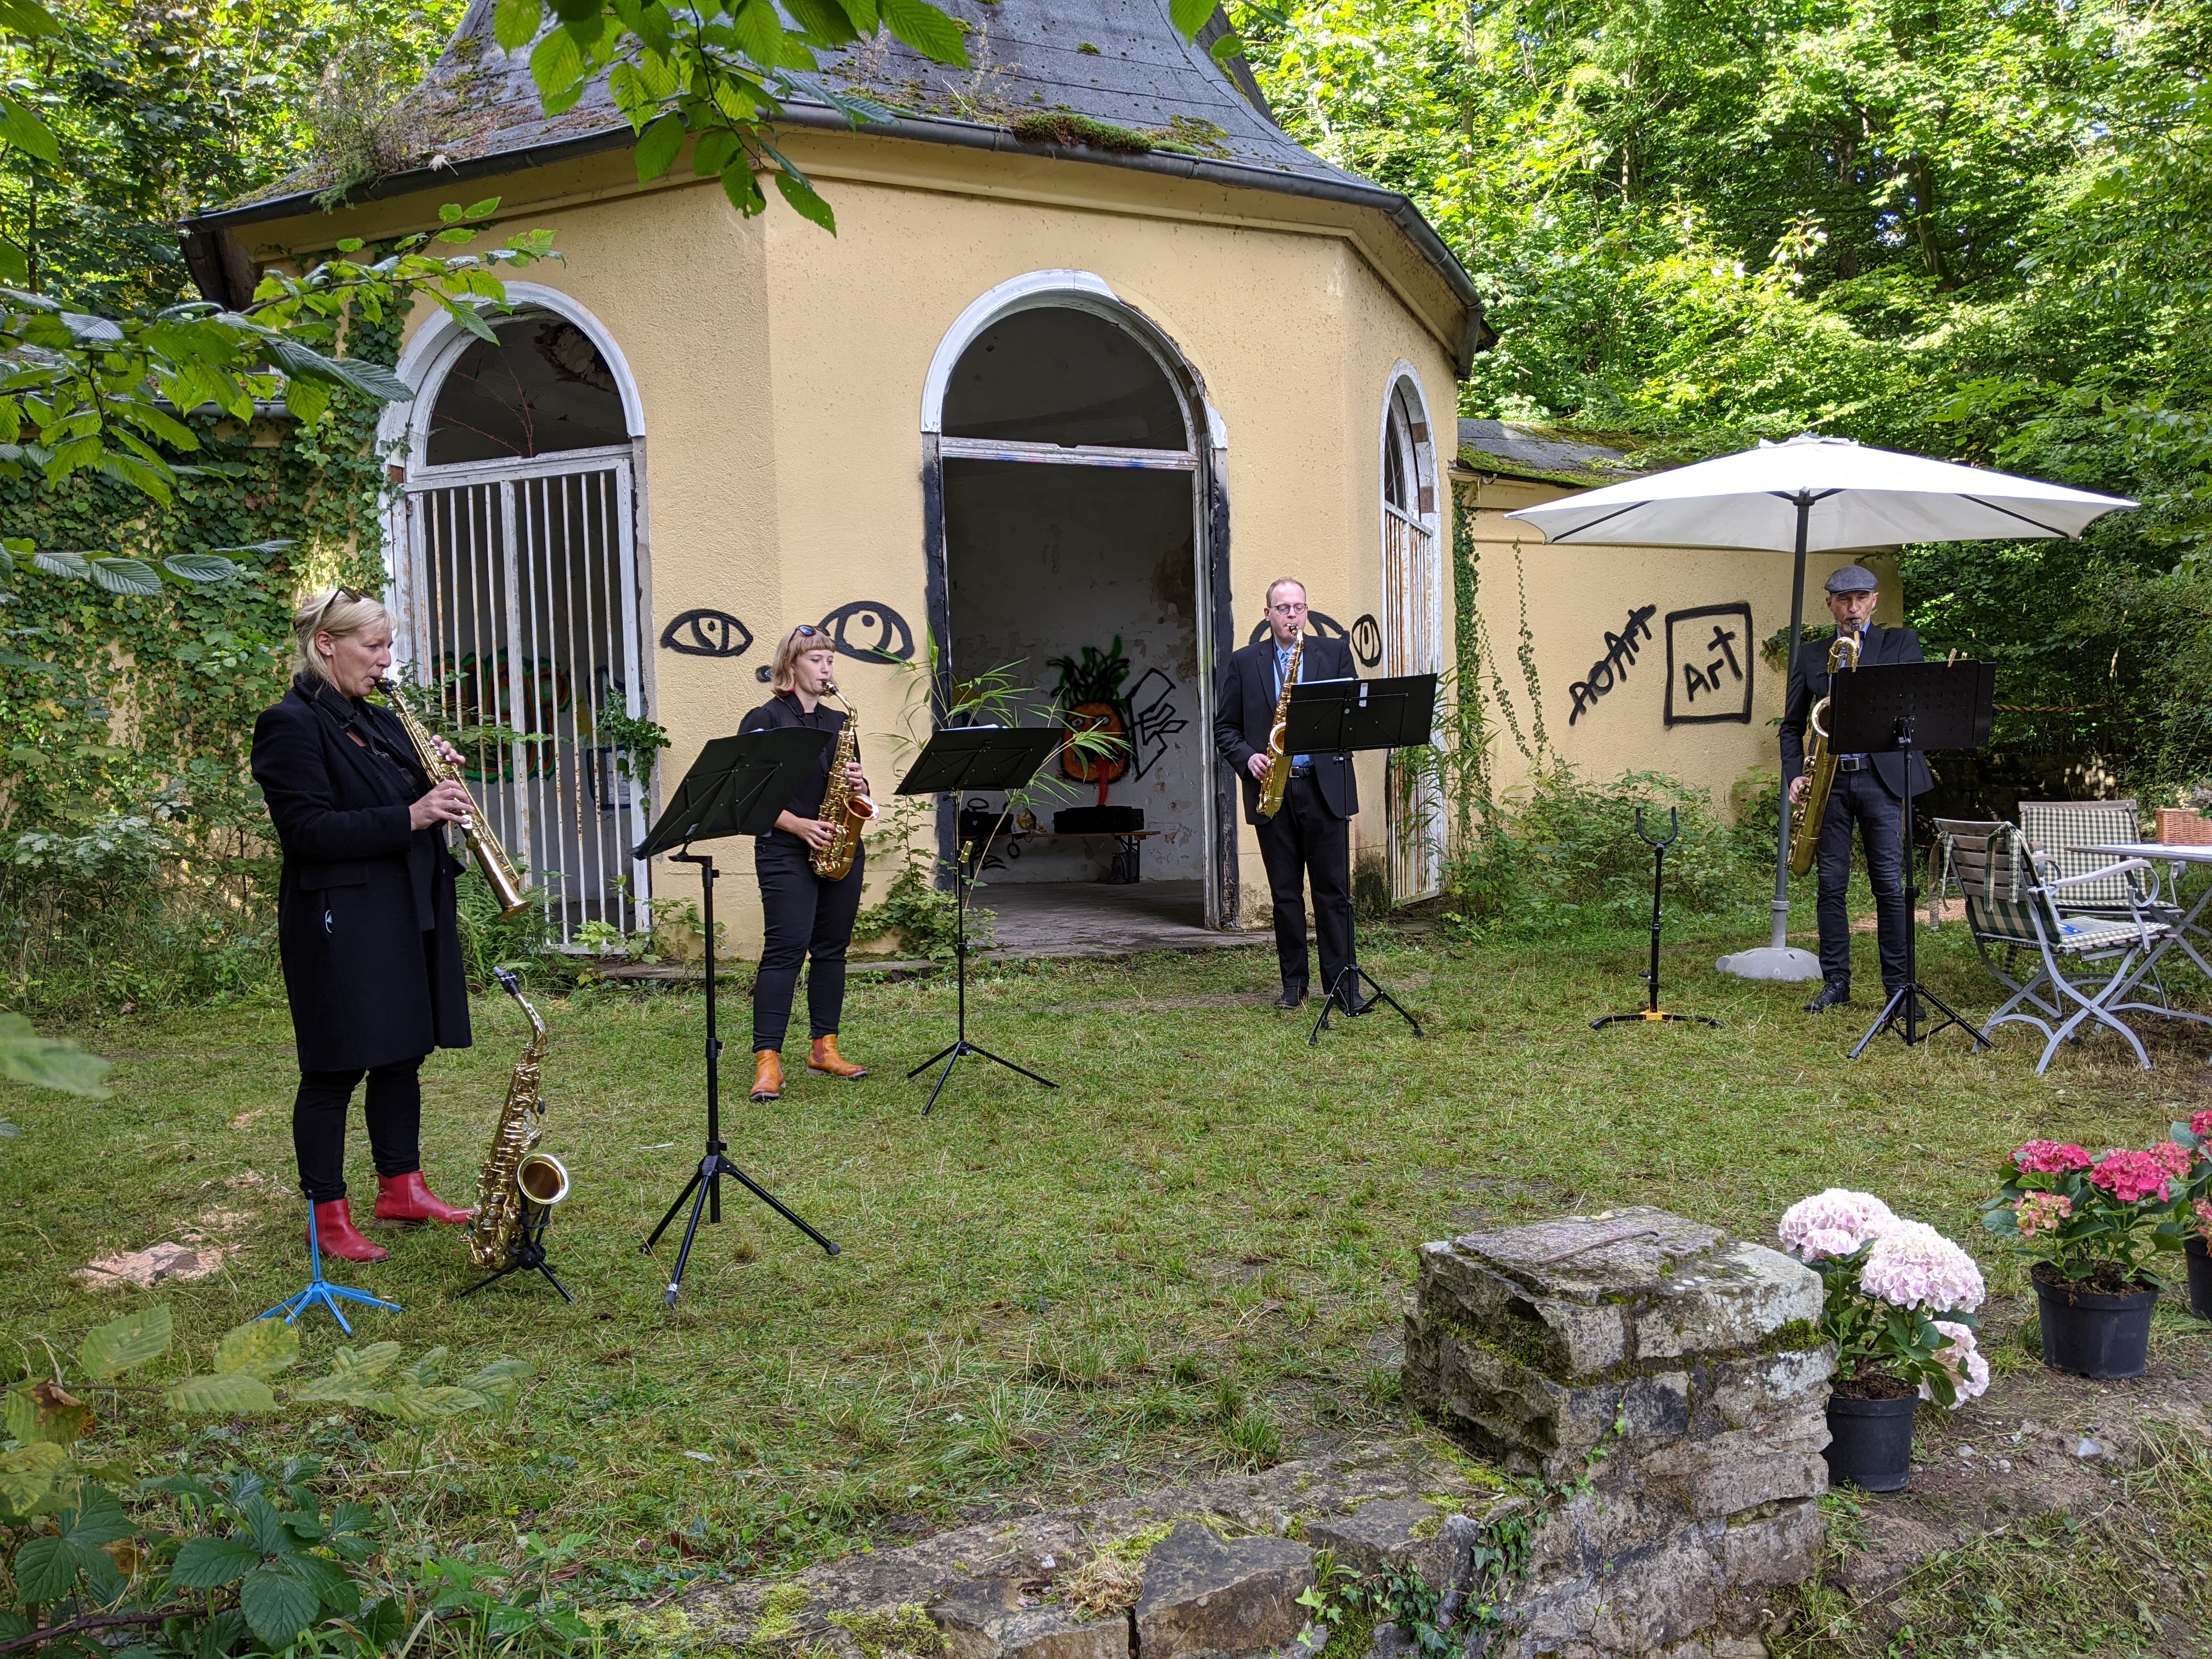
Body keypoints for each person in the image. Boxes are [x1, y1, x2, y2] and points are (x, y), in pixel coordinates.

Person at [249, 588, 477, 1264]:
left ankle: (402, 1187)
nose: (385, 662)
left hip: (404, 905)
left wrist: (430, 772)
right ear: (327, 645)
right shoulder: (289, 723)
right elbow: (306, 830)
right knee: (334, 1069)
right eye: (373, 647)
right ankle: (327, 1215)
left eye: (388, 647)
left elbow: (403, 793)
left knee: (403, 1050)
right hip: (339, 917)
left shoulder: (375, 719)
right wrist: (411, 815)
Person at [1780, 563, 1931, 1014]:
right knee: (1832, 886)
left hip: (1883, 779)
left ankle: (1900, 989)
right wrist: (1795, 774)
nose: (1852, 607)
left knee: (1889, 884)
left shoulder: (1900, 644)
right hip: (1830, 781)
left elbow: (1916, 707)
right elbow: (1791, 726)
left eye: (1860, 598)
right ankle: (1837, 984)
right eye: (1843, 600)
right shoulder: (1810, 655)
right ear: (1829, 604)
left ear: (1875, 601)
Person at [1215, 578, 1364, 1011]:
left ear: (1307, 611)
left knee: (1333, 892)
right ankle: (1293, 985)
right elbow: (1225, 727)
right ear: (1268, 615)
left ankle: (1343, 988)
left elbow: (1351, 716)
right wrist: (1248, 759)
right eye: (1283, 609)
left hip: (1323, 789)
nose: (1292, 616)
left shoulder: (1333, 652)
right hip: (1272, 789)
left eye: (1299, 607)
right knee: (1284, 894)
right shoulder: (1244, 662)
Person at [739, 625, 873, 1101]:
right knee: (785, 951)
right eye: (816, 660)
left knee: (832, 950)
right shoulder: (765, 720)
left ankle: (824, 1047)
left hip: (838, 846)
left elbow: (863, 794)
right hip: (785, 847)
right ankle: (768, 1061)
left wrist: (860, 788)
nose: (826, 669)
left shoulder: (840, 723)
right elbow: (748, 797)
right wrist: (798, 825)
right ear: (791, 665)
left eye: (830, 660)